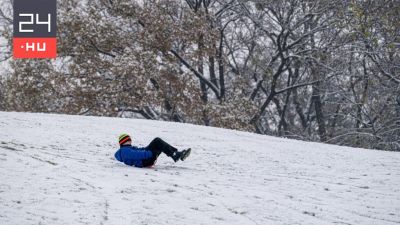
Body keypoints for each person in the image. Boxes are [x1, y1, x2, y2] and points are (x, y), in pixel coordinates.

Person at [114, 134, 191, 168]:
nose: (130, 141)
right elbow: (137, 155)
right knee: (157, 141)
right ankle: (175, 155)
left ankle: (176, 154)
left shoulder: (128, 149)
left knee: (159, 143)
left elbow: (139, 150)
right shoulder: (124, 151)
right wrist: (149, 153)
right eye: (128, 140)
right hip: (145, 160)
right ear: (123, 142)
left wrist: (148, 150)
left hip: (146, 160)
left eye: (130, 139)